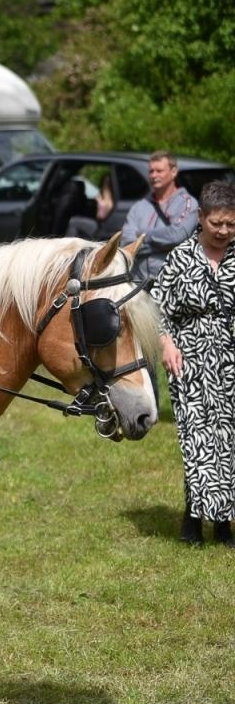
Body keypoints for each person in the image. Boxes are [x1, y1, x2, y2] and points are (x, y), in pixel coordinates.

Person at [152, 179, 235, 547]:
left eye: (231, 224)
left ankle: (222, 525)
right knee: (198, 441)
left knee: (227, 442)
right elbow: (156, 311)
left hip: (230, 365)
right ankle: (192, 520)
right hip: (192, 363)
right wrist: (167, 344)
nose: (223, 231)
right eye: (216, 223)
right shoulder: (181, 257)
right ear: (200, 217)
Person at [122, 150, 200, 284]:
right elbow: (127, 244)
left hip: (173, 284)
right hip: (139, 285)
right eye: (151, 171)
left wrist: (143, 236)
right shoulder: (138, 207)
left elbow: (176, 236)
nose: (153, 175)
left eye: (159, 171)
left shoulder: (188, 203)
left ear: (174, 171)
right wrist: (163, 245)